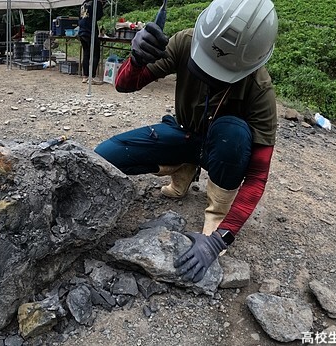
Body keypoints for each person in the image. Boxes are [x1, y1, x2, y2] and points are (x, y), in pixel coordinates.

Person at [95, 0, 278, 283]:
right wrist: (136, 59)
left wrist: (221, 238)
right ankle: (184, 167)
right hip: (185, 134)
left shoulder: (259, 89)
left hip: (222, 148)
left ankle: (217, 213)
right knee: (105, 156)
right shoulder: (186, 42)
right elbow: (124, 84)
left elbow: (257, 176)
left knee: (235, 133)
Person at [78, 0, 104, 84]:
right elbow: (98, 16)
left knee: (86, 54)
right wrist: (101, 5)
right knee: (95, 53)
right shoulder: (96, 2)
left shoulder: (84, 3)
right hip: (90, 31)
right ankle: (92, 77)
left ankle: (85, 76)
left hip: (82, 31)